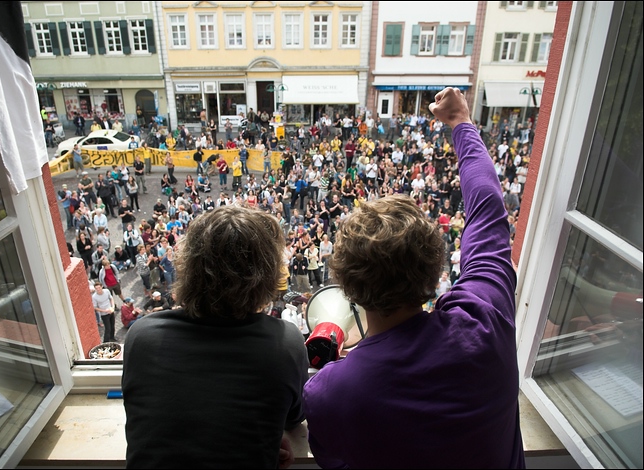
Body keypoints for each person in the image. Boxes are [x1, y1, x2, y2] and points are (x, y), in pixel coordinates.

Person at [302, 87, 524, 468]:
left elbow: (332, 457)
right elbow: (488, 209)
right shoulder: (485, 320)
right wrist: (460, 122)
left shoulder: (331, 392)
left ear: (349, 288)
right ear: (436, 268)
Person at [123, 205, 309, 468]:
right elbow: (293, 417)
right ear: (265, 276)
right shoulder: (285, 342)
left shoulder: (141, 336)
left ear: (188, 266)